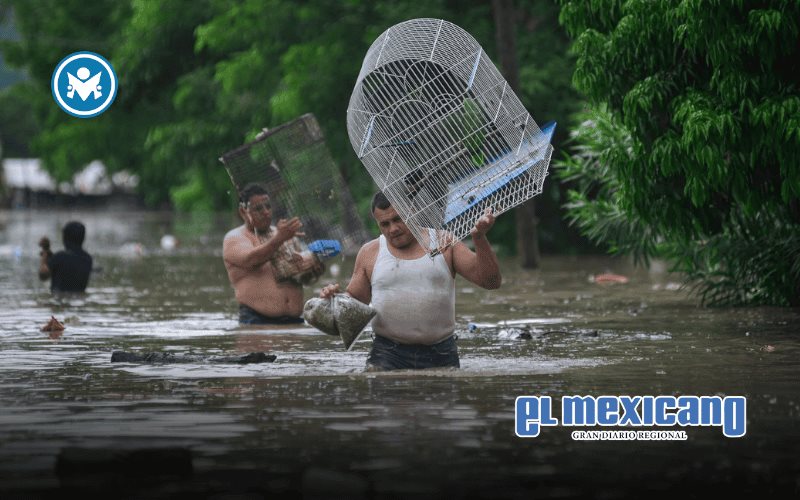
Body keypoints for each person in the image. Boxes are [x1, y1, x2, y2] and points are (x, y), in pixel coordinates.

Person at [320, 191, 501, 370]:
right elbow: (354, 302)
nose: (393, 229)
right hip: (387, 353)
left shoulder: (444, 242)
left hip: (441, 352)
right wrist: (334, 300)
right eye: (385, 224)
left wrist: (479, 238)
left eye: (398, 219)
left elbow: (491, 282)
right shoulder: (370, 252)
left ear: (412, 212)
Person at [223, 182, 323, 325]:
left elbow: (302, 278)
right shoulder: (235, 238)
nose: (266, 212)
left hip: (295, 321)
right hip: (257, 322)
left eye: (268, 206)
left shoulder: (284, 233)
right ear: (243, 212)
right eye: (258, 208)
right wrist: (279, 239)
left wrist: (313, 270)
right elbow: (251, 259)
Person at [38, 221, 93, 292]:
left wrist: (45, 250)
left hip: (59, 299)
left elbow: (43, 275)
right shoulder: (88, 259)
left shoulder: (60, 257)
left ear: (65, 238)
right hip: (79, 297)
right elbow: (70, 264)